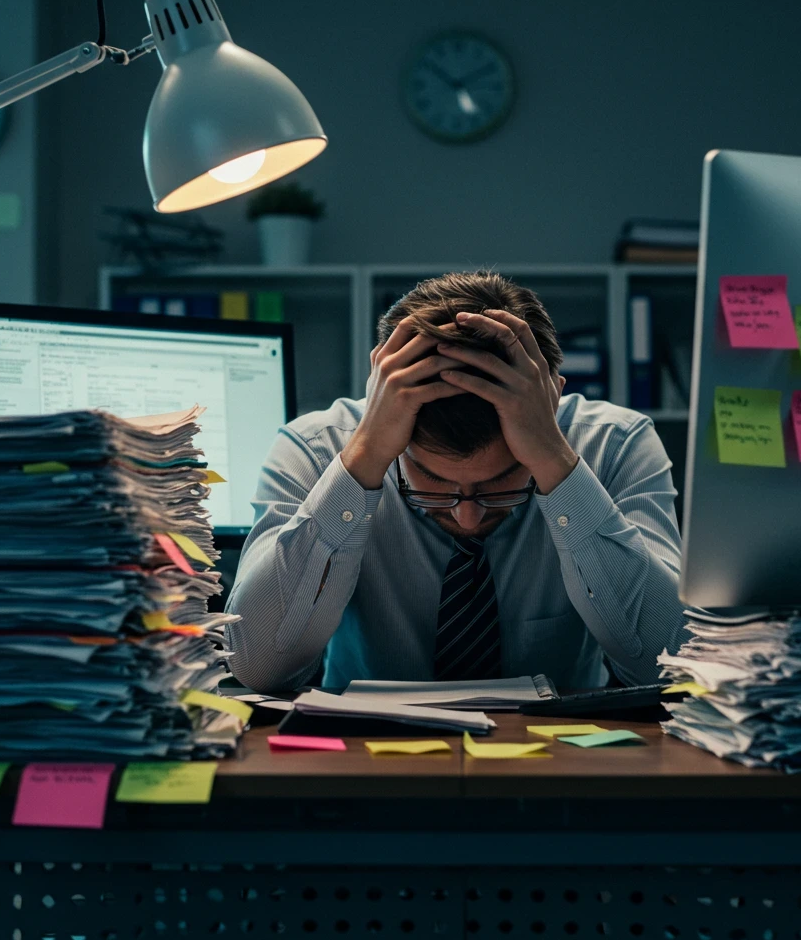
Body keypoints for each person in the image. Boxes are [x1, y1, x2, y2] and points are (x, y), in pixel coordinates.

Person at [228, 271, 690, 692]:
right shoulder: (315, 448)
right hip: (363, 748)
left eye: (502, 482)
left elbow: (672, 668)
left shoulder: (616, 445)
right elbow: (258, 668)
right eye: (430, 480)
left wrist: (555, 460)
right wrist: (365, 457)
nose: (468, 517)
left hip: (562, 750)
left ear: (550, 404)